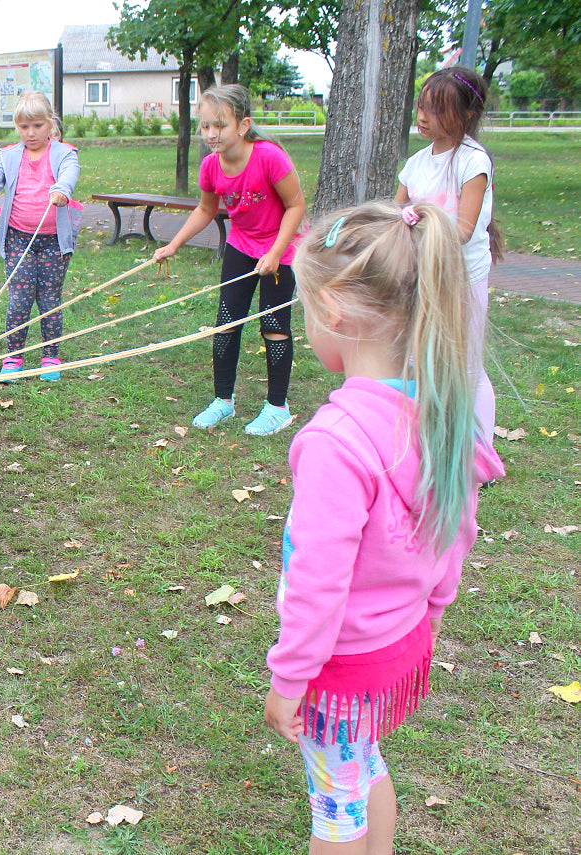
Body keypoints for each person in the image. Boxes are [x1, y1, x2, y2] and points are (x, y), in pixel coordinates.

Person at [264, 201, 504, 853]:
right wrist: (433, 607)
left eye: (307, 310)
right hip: (399, 643)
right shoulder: (440, 412)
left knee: (335, 809)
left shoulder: (337, 441)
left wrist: (289, 677)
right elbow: (459, 528)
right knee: (364, 766)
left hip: (339, 664)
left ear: (335, 312)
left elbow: (319, 576)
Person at [153, 84, 306, 435]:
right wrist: (174, 244)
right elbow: (206, 209)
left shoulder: (269, 157)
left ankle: (277, 408)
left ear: (242, 125)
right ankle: (224, 401)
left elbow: (296, 206)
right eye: (205, 126)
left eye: (219, 125)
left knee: (275, 328)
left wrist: (276, 253)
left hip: (280, 249)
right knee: (226, 322)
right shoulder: (211, 166)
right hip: (241, 246)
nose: (210, 134)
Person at [396, 67, 503, 445]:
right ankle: (430, 439)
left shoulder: (473, 162)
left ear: (467, 114)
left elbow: (462, 230)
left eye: (436, 110)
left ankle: (479, 451)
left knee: (466, 365)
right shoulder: (416, 163)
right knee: (420, 358)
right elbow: (394, 214)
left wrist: (418, 219)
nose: (423, 117)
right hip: (424, 274)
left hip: (463, 278)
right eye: (421, 106)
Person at [0, 90, 82, 383]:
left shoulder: (64, 153)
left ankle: (50, 356)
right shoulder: (8, 156)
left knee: (50, 298)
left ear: (50, 123)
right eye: (24, 127)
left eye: (37, 126)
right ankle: (14, 356)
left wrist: (62, 190)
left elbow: (69, 174)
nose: (30, 133)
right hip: (18, 238)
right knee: (19, 297)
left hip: (55, 241)